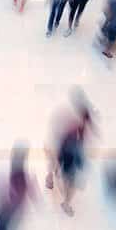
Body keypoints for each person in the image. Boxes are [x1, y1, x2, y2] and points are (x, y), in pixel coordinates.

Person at [45, 88, 95, 216]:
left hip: (70, 149)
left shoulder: (77, 113)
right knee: (70, 177)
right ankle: (65, 199)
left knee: (69, 176)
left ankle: (53, 181)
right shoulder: (68, 113)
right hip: (66, 148)